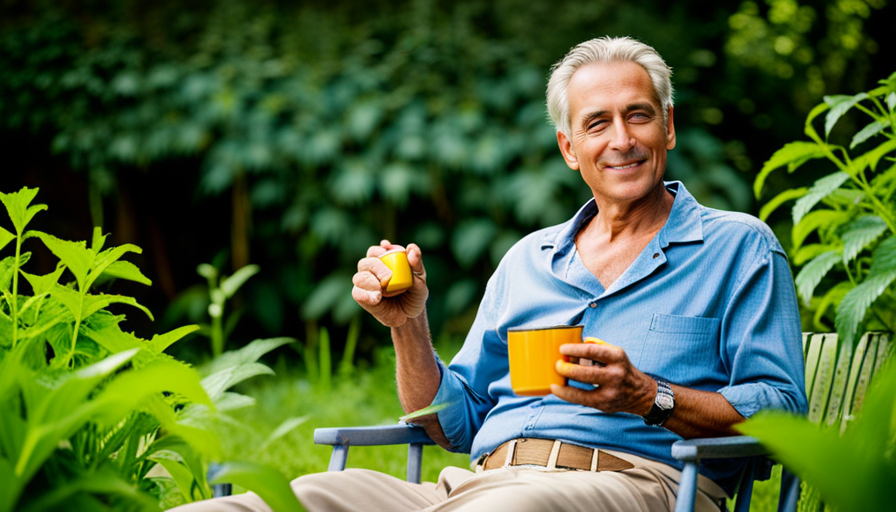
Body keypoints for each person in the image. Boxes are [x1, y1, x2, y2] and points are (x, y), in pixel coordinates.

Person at [180, 35, 807, 512]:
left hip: (636, 483)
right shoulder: (528, 261)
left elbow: (780, 414)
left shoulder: (737, 247)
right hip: (476, 483)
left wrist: (647, 396)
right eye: (597, 123)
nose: (622, 139)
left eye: (638, 115)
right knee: (270, 502)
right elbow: (457, 419)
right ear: (569, 150)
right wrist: (408, 325)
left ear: (668, 126)